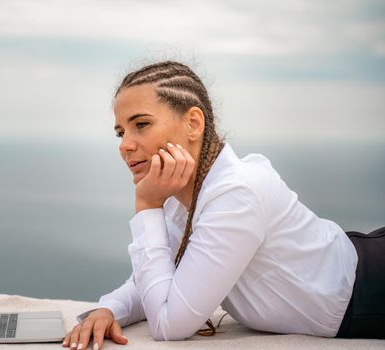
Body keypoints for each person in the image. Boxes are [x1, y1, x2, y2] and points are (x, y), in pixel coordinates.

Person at [62, 61, 385, 350]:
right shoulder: (184, 196)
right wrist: (107, 309)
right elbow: (151, 282)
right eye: (120, 132)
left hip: (371, 290)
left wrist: (147, 204)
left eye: (141, 124)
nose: (125, 145)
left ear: (193, 123)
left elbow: (169, 324)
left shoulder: (236, 194)